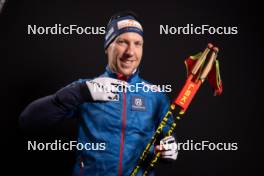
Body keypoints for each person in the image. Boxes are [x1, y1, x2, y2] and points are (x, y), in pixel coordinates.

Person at [20, 11, 178, 176]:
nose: (130, 52)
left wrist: (169, 150)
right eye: (122, 42)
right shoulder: (86, 88)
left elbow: (166, 138)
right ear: (108, 46)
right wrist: (80, 92)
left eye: (138, 43)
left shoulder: (156, 95)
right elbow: (28, 121)